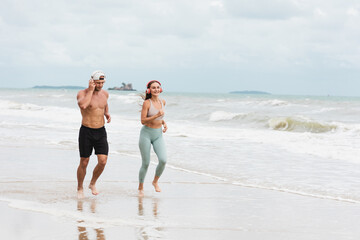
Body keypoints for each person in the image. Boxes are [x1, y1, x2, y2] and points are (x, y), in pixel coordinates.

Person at [76, 70, 111, 198]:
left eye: (102, 82)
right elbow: (84, 106)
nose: (100, 85)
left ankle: (92, 183)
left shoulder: (105, 94)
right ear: (92, 81)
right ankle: (80, 187)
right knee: (84, 162)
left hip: (101, 131)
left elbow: (104, 104)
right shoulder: (82, 93)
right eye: (98, 83)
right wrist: (91, 90)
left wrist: (107, 113)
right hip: (86, 131)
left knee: (103, 161)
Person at [138, 80, 168, 197]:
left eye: (158, 87)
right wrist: (156, 116)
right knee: (146, 163)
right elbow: (143, 121)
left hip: (158, 135)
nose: (156, 89)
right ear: (149, 90)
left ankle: (155, 181)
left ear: (160, 89)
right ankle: (140, 187)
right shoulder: (147, 103)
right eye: (153, 88)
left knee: (163, 160)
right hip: (146, 134)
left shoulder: (163, 102)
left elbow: (160, 117)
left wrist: (164, 123)